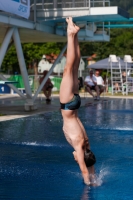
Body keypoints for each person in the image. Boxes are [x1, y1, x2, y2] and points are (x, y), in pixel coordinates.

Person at [59, 17, 96, 185]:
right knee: (69, 67)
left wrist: (95, 178)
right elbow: (84, 167)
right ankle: (70, 34)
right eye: (78, 158)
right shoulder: (79, 146)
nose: (75, 158)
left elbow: (90, 163)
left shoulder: (87, 144)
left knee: (75, 65)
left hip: (75, 104)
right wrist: (89, 184)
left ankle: (75, 35)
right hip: (67, 105)